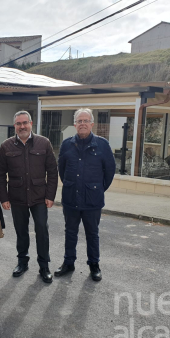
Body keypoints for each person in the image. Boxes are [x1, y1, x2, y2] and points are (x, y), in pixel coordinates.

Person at [0, 110, 58, 283]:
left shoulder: (43, 143)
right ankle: (22, 262)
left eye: (25, 123)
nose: (22, 126)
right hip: (17, 197)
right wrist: (4, 198)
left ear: (31, 123)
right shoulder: (6, 146)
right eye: (18, 123)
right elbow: (0, 174)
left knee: (41, 230)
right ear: (14, 126)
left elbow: (52, 171)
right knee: (21, 231)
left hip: (39, 196)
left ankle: (44, 266)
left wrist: (50, 195)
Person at [55, 108, 115, 281]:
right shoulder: (67, 144)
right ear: (75, 124)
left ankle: (94, 265)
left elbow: (109, 172)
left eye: (85, 121)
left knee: (92, 234)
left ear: (92, 124)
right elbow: (62, 170)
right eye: (79, 121)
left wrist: (96, 189)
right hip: (70, 197)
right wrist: (71, 185)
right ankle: (68, 263)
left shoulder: (102, 144)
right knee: (70, 232)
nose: (82, 124)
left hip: (92, 200)